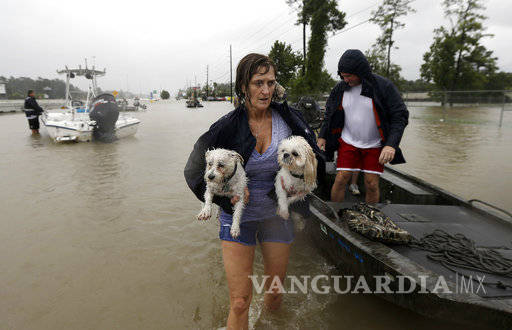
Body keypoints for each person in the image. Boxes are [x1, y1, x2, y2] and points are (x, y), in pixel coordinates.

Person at [184, 53, 324, 329]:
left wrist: (303, 182)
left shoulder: (289, 119)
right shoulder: (226, 127)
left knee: (274, 296)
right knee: (239, 301)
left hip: (276, 216)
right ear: (244, 87)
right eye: (259, 82)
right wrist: (224, 198)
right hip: (238, 216)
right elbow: (193, 171)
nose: (266, 90)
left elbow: (314, 158)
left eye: (271, 83)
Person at [317, 49, 408, 204]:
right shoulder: (340, 89)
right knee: (341, 178)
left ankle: (370, 216)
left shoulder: (383, 87)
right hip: (348, 141)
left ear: (360, 72)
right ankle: (335, 214)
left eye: (348, 76)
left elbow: (400, 116)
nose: (345, 80)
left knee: (371, 183)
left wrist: (391, 145)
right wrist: (323, 136)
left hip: (374, 144)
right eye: (342, 76)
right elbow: (330, 113)